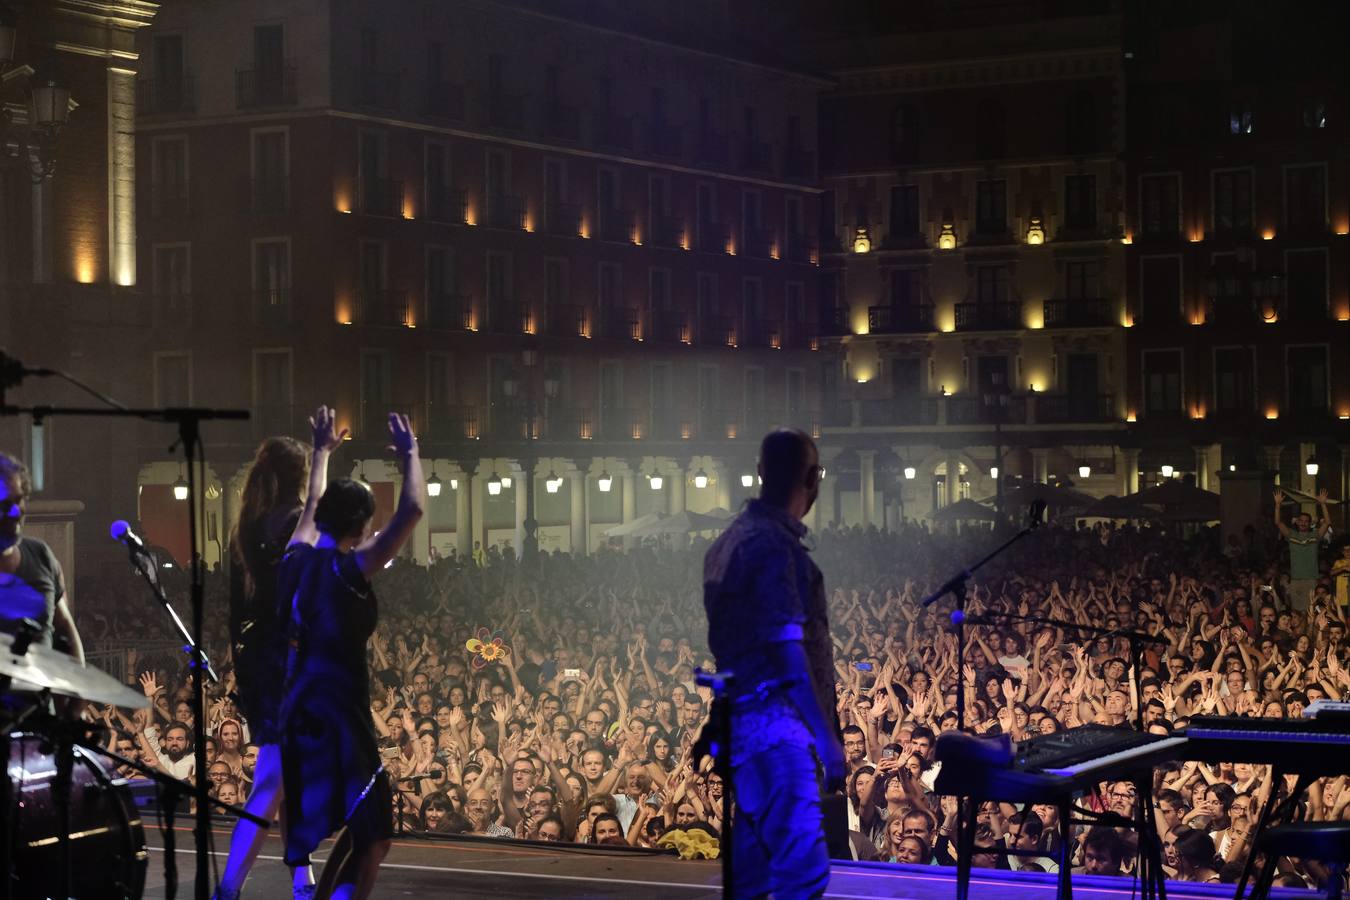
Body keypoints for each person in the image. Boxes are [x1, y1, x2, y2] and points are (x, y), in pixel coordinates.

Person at [280, 411, 424, 900]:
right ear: (361, 526)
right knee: (376, 832)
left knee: (362, 829)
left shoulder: (295, 557)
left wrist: (319, 452)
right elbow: (413, 512)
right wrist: (410, 455)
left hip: (301, 710)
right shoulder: (349, 570)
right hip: (341, 715)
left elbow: (312, 505)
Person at [702, 428, 844, 899]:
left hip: (745, 728)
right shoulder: (772, 546)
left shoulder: (729, 541)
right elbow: (786, 653)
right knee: (802, 870)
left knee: (754, 873)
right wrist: (827, 740)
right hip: (779, 731)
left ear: (761, 472)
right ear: (812, 478)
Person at [214, 419, 337, 900]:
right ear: (299, 478)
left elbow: (236, 611)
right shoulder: (290, 521)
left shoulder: (246, 525)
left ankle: (302, 878)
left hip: (261, 662)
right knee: (269, 784)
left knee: (288, 777)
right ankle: (227, 889)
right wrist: (324, 453)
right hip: (289, 663)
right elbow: (316, 515)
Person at [0, 452, 84, 663]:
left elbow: (64, 628)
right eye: (4, 505)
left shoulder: (41, 556)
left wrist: (77, 695)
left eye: (19, 500)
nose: (15, 512)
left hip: (41, 695)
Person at [1273, 489, 1331, 610]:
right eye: (1301, 521)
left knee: (1311, 610)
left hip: (1311, 579)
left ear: (1310, 523)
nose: (1303, 523)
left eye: (1306, 521)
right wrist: (1278, 505)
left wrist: (1323, 504)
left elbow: (1327, 522)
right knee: (1296, 611)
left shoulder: (1315, 535)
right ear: (1297, 522)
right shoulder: (1291, 535)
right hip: (1295, 580)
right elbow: (1278, 522)